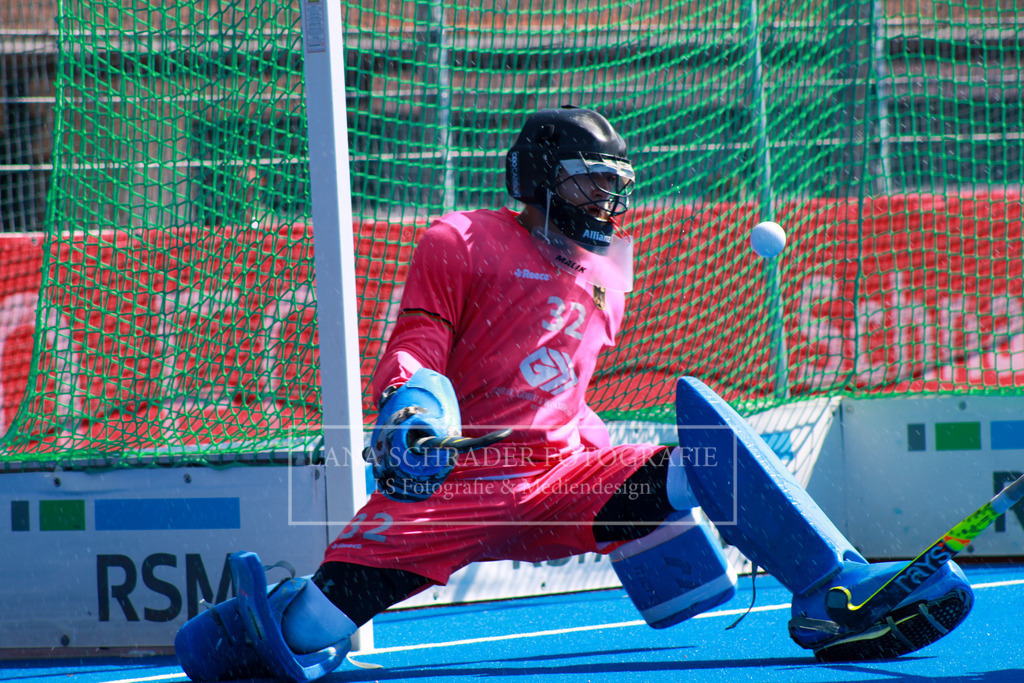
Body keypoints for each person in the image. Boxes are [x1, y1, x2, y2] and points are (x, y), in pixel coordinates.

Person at [174, 107, 974, 682]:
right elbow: (417, 339)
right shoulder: (461, 238)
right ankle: (258, 621)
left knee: (709, 455)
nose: (607, 202)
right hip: (449, 488)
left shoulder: (606, 274)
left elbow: (568, 394)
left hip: (561, 481)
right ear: (538, 179)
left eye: (613, 187)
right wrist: (410, 405)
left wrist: (619, 461)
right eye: (589, 184)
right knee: (290, 639)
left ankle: (835, 594)